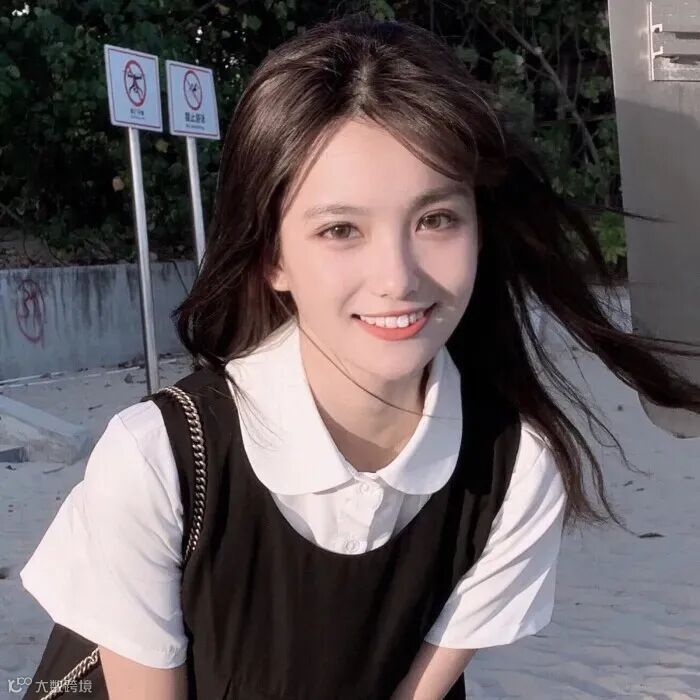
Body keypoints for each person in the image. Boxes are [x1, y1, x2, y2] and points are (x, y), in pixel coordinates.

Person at [19, 13, 700, 700]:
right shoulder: (157, 460)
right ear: (272, 256)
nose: (397, 278)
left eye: (436, 219)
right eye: (341, 229)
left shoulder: (517, 467)